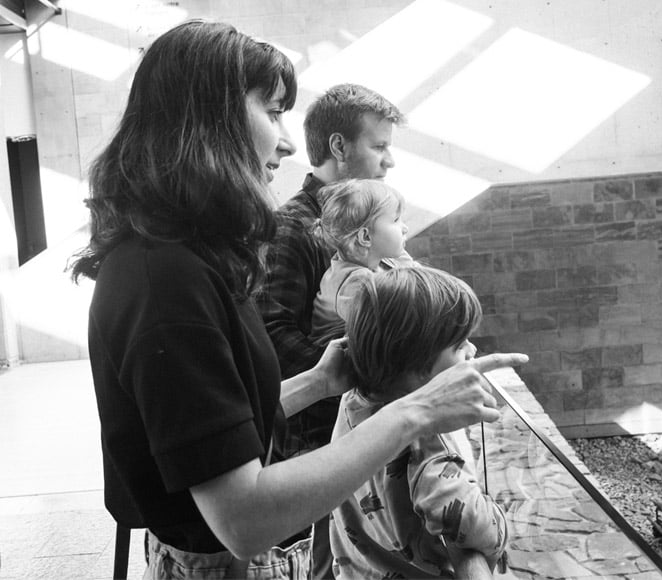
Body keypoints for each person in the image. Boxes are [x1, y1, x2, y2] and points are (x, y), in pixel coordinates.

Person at [68, 19, 527, 580]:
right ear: (208, 121)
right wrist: (417, 410)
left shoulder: (181, 259)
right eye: (273, 112)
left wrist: (318, 382)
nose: (286, 142)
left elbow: (212, 434)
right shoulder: (165, 283)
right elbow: (244, 518)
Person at [257, 84, 406, 580]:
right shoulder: (291, 227)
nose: (389, 161)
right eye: (378, 146)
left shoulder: (372, 217)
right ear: (340, 148)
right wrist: (361, 374)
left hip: (361, 424)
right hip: (318, 439)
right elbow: (274, 334)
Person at [329, 266, 508, 579]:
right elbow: (470, 521)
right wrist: (501, 522)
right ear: (419, 369)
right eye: (460, 344)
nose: (473, 349)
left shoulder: (356, 400)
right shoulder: (426, 439)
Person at [309, 178, 413, 346]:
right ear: (365, 237)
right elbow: (389, 326)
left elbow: (423, 282)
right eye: (396, 220)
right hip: (342, 363)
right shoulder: (352, 283)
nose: (405, 228)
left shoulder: (386, 258)